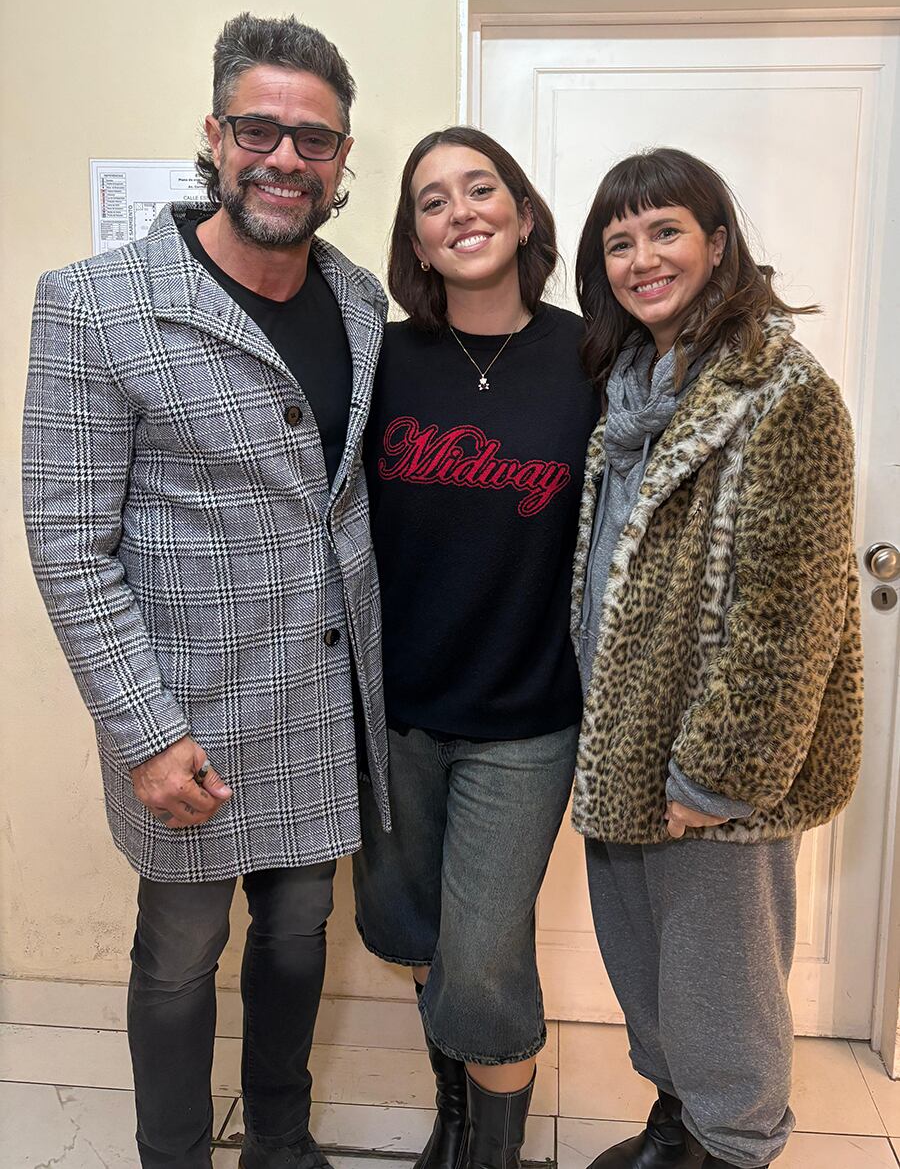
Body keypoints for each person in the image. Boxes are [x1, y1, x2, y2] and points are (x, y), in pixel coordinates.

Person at [22, 13, 390, 1169]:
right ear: (214, 138)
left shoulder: (367, 303)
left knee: (298, 930)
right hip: (190, 720)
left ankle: (278, 1137)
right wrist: (143, 728)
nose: (285, 157)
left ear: (341, 162)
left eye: (314, 138)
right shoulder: (96, 304)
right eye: (259, 128)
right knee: (181, 951)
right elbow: (69, 540)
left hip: (324, 701)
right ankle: (173, 1155)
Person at [570, 147, 863, 1169]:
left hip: (708, 764)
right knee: (648, 967)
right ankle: (677, 1121)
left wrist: (717, 774)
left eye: (665, 231)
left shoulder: (782, 393)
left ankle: (730, 1145)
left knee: (723, 989)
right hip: (623, 742)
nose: (643, 257)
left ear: (717, 243)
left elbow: (789, 616)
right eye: (620, 241)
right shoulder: (632, 388)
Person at [353, 127, 599, 1169]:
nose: (461, 212)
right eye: (432, 201)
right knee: (416, 935)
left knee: (487, 958)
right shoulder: (384, 360)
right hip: (393, 713)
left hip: (525, 719)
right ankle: (454, 1125)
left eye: (480, 188)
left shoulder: (594, 353)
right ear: (415, 236)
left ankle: (490, 1156)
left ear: (524, 211)